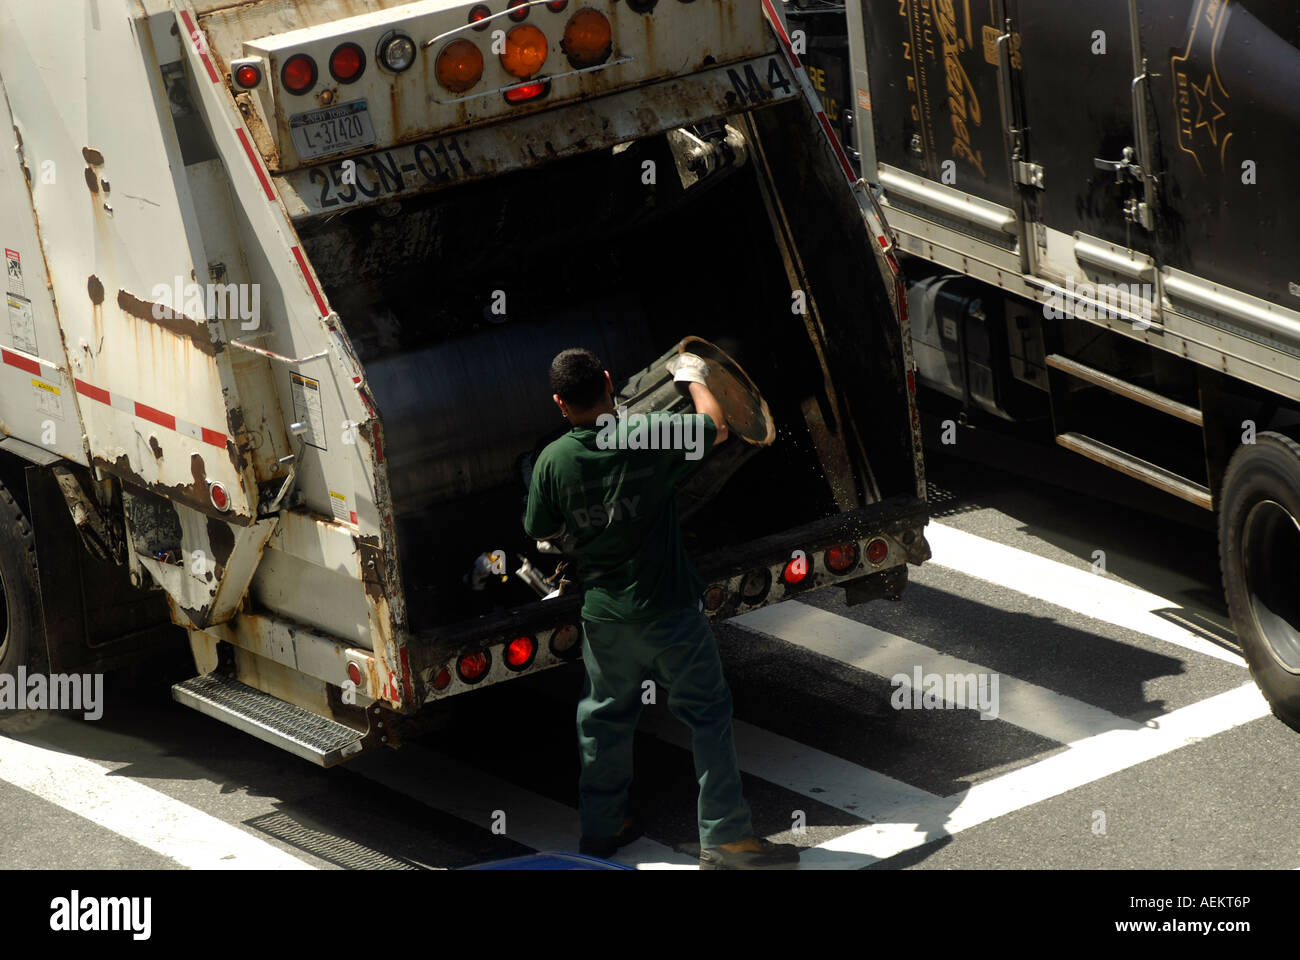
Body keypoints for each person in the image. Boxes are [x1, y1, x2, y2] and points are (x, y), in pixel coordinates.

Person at [524, 347, 800, 870]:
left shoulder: (553, 460)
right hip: (669, 608)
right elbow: (716, 428)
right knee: (707, 714)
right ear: (609, 380)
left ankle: (603, 828)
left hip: (606, 616)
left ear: (561, 403)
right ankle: (726, 839)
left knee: (603, 718)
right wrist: (692, 377)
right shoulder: (646, 434)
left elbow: (539, 529)